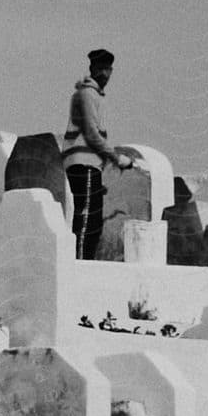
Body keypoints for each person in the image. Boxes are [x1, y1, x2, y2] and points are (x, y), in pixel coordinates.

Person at [62, 48, 135, 260]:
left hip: (91, 163)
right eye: (100, 69)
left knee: (94, 222)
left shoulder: (95, 96)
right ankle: (81, 264)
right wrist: (116, 157)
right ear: (92, 69)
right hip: (81, 162)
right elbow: (92, 135)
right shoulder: (86, 94)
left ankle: (87, 262)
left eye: (108, 69)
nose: (104, 74)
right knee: (86, 219)